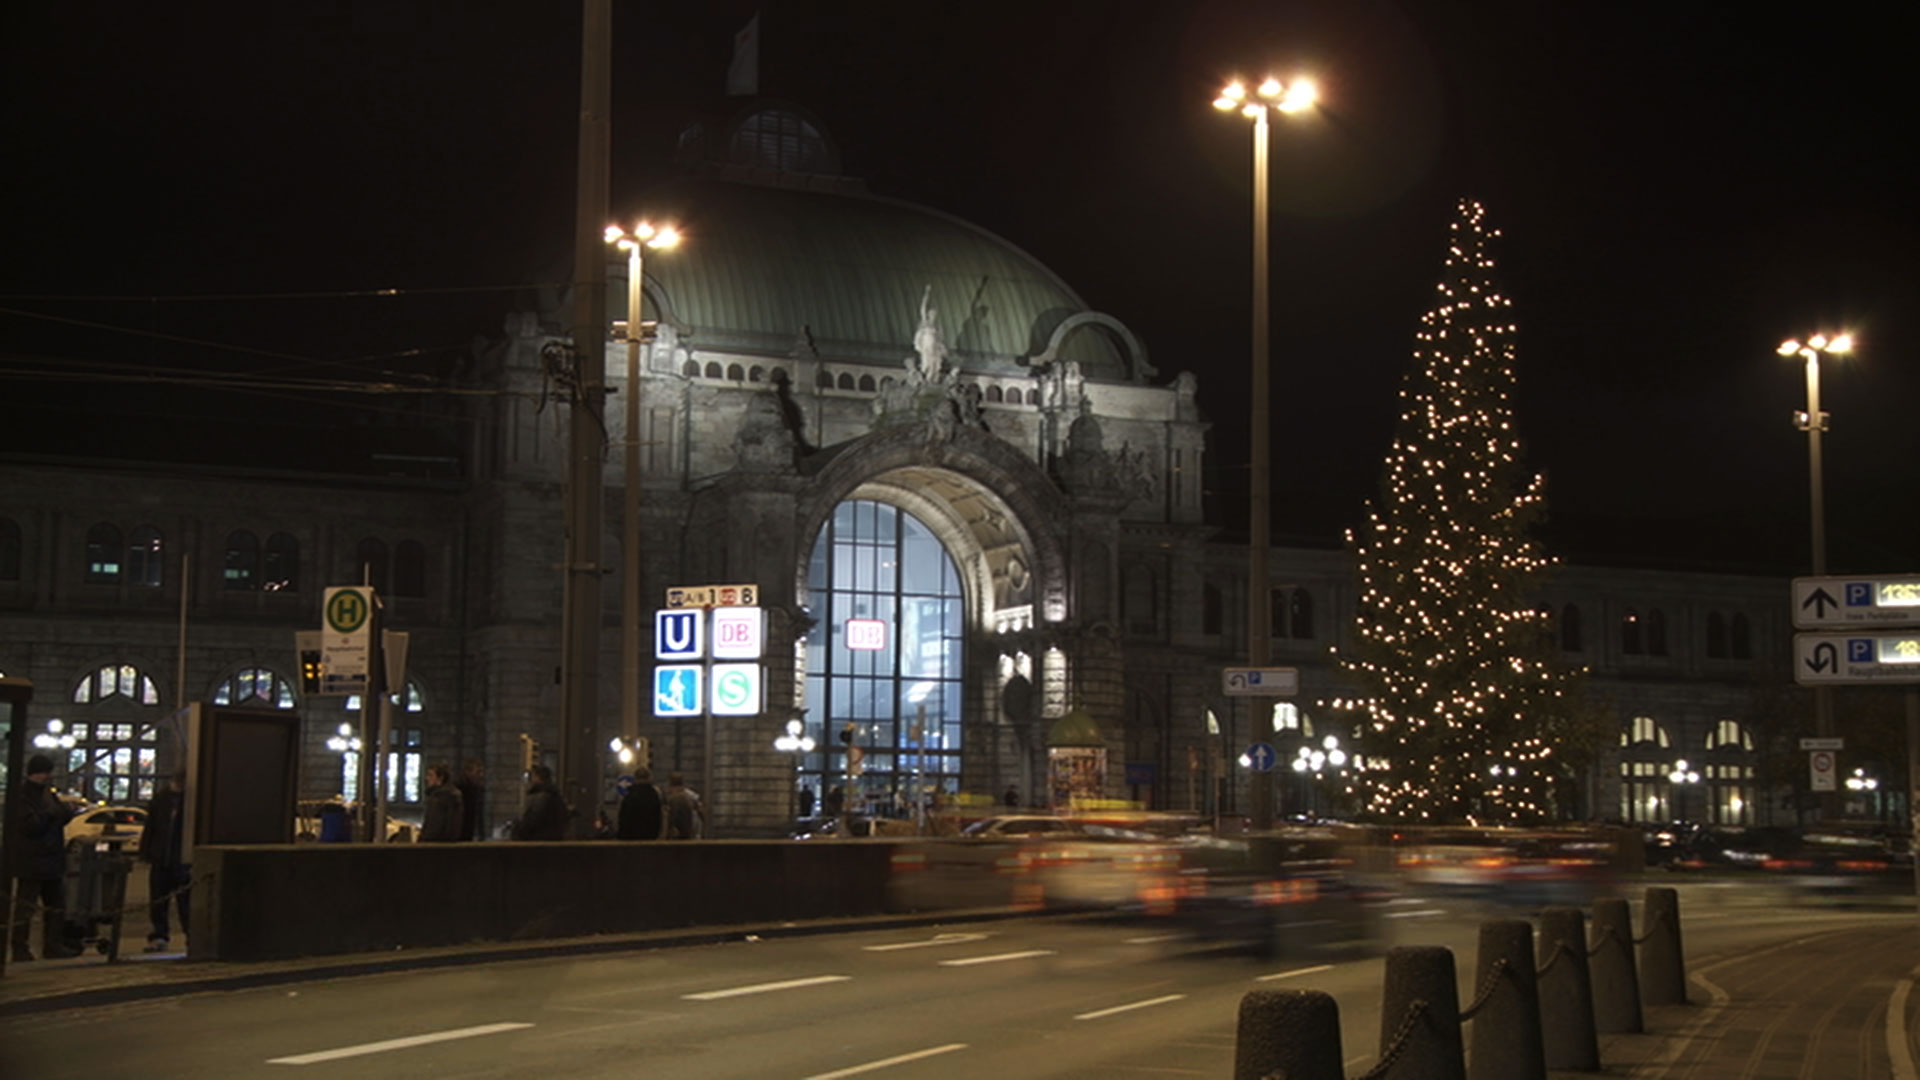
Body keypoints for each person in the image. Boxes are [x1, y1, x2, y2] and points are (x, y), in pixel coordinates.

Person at [8, 754, 78, 962]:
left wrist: (62, 813)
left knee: (55, 905)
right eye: (45, 772)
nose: (48, 776)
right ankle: (21, 947)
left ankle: (51, 945)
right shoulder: (24, 796)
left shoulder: (45, 794)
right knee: (27, 907)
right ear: (36, 773)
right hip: (33, 860)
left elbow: (57, 816)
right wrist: (52, 814)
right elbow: (30, 826)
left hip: (49, 858)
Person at [141, 772, 190, 953]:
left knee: (183, 902)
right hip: (164, 858)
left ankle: (182, 935)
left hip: (176, 858)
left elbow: (150, 828)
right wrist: (147, 851)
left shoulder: (174, 799)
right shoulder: (163, 800)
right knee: (159, 900)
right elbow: (151, 827)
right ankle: (160, 935)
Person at [511, 764, 570, 841]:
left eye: (532, 776)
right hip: (553, 839)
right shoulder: (556, 795)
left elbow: (532, 820)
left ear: (537, 777)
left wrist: (519, 830)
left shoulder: (541, 797)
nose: (531, 780)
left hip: (538, 839)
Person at [419, 763, 464, 842]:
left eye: (431, 775)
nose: (427, 778)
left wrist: (423, 840)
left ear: (440, 778)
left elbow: (434, 826)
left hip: (436, 843)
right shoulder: (447, 796)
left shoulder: (440, 798)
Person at [617, 767, 664, 840]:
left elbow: (623, 819)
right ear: (649, 778)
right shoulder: (654, 796)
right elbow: (658, 818)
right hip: (650, 838)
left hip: (631, 839)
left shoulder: (630, 796)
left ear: (635, 779)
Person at [664, 772, 704, 840]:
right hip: (693, 832)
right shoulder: (691, 795)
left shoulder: (671, 797)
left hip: (679, 833)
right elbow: (701, 811)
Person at [455, 759, 486, 841]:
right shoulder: (460, 791)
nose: (481, 775)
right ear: (468, 772)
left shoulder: (477, 790)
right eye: (478, 772)